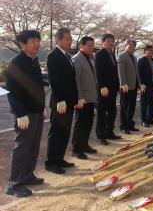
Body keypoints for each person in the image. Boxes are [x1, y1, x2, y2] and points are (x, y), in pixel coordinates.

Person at [5, 30, 45, 197]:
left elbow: (37, 87)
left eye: (38, 40)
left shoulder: (34, 61)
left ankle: (28, 175)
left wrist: (42, 107)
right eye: (33, 41)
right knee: (22, 147)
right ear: (22, 44)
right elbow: (12, 93)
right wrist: (20, 114)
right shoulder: (15, 64)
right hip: (24, 114)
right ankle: (15, 183)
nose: (37, 44)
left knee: (33, 145)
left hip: (36, 110)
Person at [45, 28, 77, 174]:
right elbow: (54, 80)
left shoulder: (68, 56)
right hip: (60, 102)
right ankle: (51, 162)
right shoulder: (53, 55)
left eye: (70, 38)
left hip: (69, 101)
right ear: (58, 40)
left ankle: (59, 158)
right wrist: (59, 100)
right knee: (56, 131)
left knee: (65, 131)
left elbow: (71, 80)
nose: (69, 41)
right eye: (66, 38)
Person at [71, 36, 98, 160]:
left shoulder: (90, 58)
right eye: (89, 45)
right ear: (81, 45)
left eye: (93, 45)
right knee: (80, 124)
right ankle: (76, 149)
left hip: (91, 97)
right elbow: (75, 80)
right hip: (82, 99)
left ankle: (84, 144)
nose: (92, 48)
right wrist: (79, 98)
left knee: (88, 122)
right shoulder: (77, 59)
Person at [95, 33, 121, 145]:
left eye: (112, 41)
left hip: (113, 88)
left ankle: (109, 131)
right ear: (103, 42)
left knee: (112, 111)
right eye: (109, 41)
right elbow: (98, 72)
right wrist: (102, 86)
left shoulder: (112, 54)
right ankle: (100, 135)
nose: (111, 43)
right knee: (102, 112)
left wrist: (118, 84)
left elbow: (115, 72)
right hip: (104, 89)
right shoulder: (100, 54)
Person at [117, 39, 145, 134]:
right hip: (126, 86)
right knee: (124, 107)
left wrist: (140, 84)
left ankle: (129, 124)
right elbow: (121, 72)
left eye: (133, 45)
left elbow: (137, 72)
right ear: (125, 46)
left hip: (134, 86)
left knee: (132, 106)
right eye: (130, 45)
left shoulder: (134, 57)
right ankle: (123, 126)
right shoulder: (122, 56)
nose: (132, 47)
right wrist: (123, 83)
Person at [138, 44, 153, 127]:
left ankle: (150, 119)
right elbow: (139, 74)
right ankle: (144, 120)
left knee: (151, 103)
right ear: (145, 51)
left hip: (152, 84)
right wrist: (141, 84)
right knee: (144, 103)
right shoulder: (141, 60)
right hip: (145, 85)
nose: (152, 52)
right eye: (150, 50)